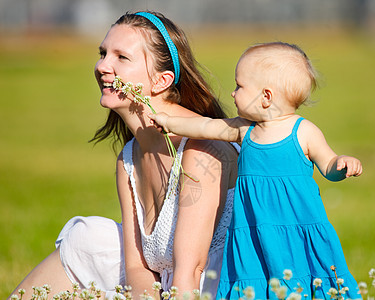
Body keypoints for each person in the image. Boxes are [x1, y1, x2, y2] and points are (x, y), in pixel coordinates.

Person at [9, 11, 239, 299]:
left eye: (121, 57)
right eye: (103, 53)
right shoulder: (129, 158)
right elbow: (138, 269)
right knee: (87, 239)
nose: (103, 66)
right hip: (168, 288)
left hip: (211, 290)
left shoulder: (201, 150)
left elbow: (190, 272)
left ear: (161, 81)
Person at [149, 42, 363, 299]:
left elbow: (328, 165)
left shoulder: (303, 131)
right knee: (255, 278)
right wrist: (169, 122)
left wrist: (342, 165)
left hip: (295, 224)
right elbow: (206, 127)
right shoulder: (244, 130)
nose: (232, 93)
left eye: (239, 86)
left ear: (266, 97)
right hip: (253, 227)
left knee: (301, 277)